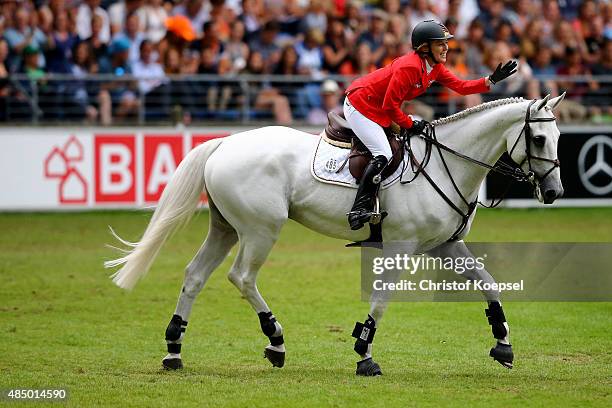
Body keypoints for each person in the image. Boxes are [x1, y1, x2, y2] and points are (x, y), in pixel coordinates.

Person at [343, 20, 517, 230]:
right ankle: (358, 209)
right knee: (383, 154)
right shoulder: (409, 67)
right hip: (360, 104)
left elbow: (461, 87)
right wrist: (409, 124)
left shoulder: (434, 68)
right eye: (440, 43)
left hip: (379, 107)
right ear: (424, 48)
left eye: (446, 43)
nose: (446, 48)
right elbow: (390, 105)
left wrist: (491, 80)